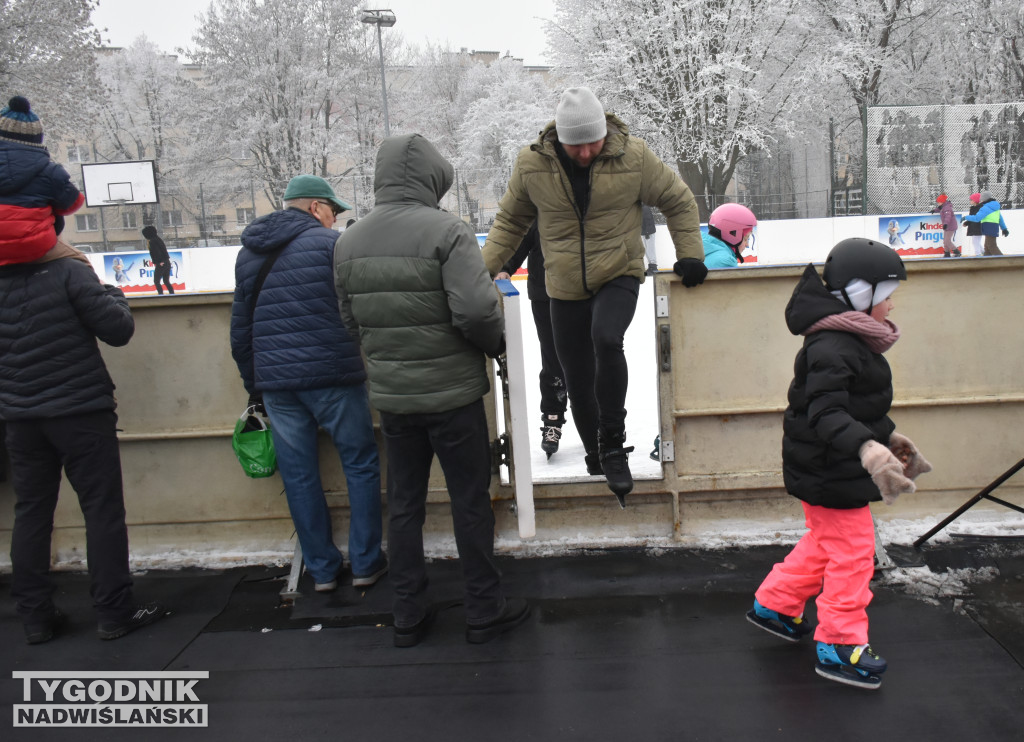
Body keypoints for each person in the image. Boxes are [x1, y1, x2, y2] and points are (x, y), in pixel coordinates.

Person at [334, 134, 529, 648]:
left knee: (404, 505)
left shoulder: (349, 241)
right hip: (454, 397)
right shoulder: (448, 230)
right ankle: (484, 611)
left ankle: (407, 616)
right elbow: (476, 311)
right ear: (432, 179)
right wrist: (495, 347)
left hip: (394, 400)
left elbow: (350, 321)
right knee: (469, 502)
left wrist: (385, 362)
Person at [481, 86, 705, 508]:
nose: (585, 153)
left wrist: (690, 254)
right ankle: (596, 452)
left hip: (618, 272)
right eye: (575, 145)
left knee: (606, 338)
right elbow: (510, 221)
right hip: (562, 284)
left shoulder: (634, 157)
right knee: (576, 376)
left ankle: (615, 442)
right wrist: (479, 272)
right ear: (559, 140)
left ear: (605, 133)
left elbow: (677, 200)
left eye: (592, 143)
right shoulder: (533, 164)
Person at [746, 238, 932, 690]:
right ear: (858, 294)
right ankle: (840, 644)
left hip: (827, 465)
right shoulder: (834, 344)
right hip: (830, 467)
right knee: (852, 556)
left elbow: (855, 406)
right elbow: (826, 413)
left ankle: (775, 603)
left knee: (827, 543)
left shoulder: (849, 339)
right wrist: (867, 450)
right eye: (885, 295)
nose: (890, 305)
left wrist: (887, 436)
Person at [1, 244, 169, 644]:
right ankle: (114, 612)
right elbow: (117, 330)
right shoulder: (69, 271)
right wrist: (111, 292)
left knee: (31, 513)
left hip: (20, 418)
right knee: (102, 511)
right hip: (80, 412)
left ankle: (36, 618)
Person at [230, 174, 387, 593]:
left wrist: (255, 384)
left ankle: (321, 571)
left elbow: (239, 330)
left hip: (278, 385)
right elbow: (362, 308)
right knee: (360, 462)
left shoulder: (248, 254)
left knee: (299, 475)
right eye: (333, 211)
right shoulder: (331, 247)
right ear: (316, 207)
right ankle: (368, 562)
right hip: (334, 375)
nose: (335, 220)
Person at [494, 222, 568, 459]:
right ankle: (552, 420)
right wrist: (505, 267)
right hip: (544, 294)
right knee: (552, 360)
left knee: (588, 360)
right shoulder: (540, 204)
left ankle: (599, 424)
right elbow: (521, 240)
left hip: (582, 294)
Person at [0, 95, 88, 267]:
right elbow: (73, 203)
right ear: (36, 139)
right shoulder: (50, 171)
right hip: (33, 248)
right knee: (82, 263)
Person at [702, 203, 758, 269]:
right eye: (746, 239)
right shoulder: (725, 262)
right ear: (732, 235)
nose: (747, 245)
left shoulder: (702, 248)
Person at [962, 190, 1008, 256]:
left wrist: (966, 217)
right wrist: (1004, 228)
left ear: (984, 199)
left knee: (991, 246)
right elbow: (1000, 219)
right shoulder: (994, 207)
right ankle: (987, 262)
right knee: (987, 247)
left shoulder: (985, 207)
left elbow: (977, 218)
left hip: (988, 227)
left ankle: (1003, 261)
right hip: (992, 228)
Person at [141, 225, 174, 294]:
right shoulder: (158, 239)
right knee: (166, 281)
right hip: (167, 262)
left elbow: (157, 252)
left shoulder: (152, 241)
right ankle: (172, 294)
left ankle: (161, 295)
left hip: (161, 263)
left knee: (156, 281)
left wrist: (159, 262)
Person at [963, 192, 983, 256]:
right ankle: (983, 252)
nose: (970, 201)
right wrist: (967, 222)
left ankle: (978, 254)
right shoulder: (972, 208)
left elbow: (977, 218)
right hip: (974, 227)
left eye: (971, 200)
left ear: (975, 201)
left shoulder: (980, 208)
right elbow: (971, 217)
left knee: (975, 241)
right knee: (976, 241)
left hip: (978, 226)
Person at [641, 204, 658, 275]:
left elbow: (647, 220)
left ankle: (653, 267)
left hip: (648, 233)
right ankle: (651, 267)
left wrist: (647, 232)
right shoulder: (642, 208)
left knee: (650, 249)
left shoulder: (644, 209)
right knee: (647, 250)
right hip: (645, 232)